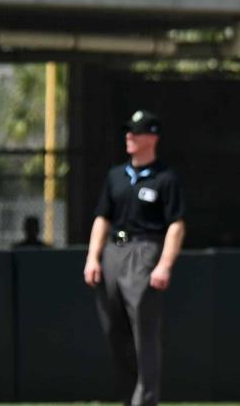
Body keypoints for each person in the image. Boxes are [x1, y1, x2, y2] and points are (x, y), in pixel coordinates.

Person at [83, 110, 185, 406]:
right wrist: (93, 257)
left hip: (145, 251)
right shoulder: (115, 175)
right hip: (113, 251)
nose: (129, 136)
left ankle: (146, 399)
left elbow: (176, 224)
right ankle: (127, 397)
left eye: (136, 132)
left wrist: (164, 264)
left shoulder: (165, 178)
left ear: (152, 137)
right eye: (128, 131)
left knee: (144, 332)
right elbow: (102, 217)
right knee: (115, 331)